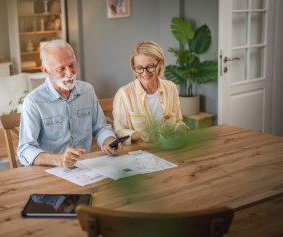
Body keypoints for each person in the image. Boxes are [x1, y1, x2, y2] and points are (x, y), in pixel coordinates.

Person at [17, 39, 124, 168]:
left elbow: (101, 128)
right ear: (45, 71)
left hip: (85, 168)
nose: (69, 73)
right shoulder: (33, 101)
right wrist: (59, 160)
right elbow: (25, 149)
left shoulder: (87, 91)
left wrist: (110, 141)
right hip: (49, 172)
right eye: (61, 68)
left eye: (72, 65)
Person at [113, 40, 189, 143]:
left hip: (169, 147)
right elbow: (119, 131)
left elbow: (177, 121)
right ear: (134, 67)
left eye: (150, 66)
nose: (145, 73)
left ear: (160, 64)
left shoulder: (171, 88)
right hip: (140, 152)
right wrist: (139, 135)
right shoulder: (123, 94)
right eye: (139, 68)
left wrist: (181, 129)